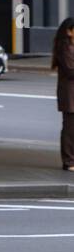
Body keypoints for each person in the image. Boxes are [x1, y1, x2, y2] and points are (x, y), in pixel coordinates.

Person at [54, 17, 74, 170]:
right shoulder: (64, 48)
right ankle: (68, 161)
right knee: (69, 127)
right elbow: (70, 70)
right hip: (69, 94)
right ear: (69, 31)